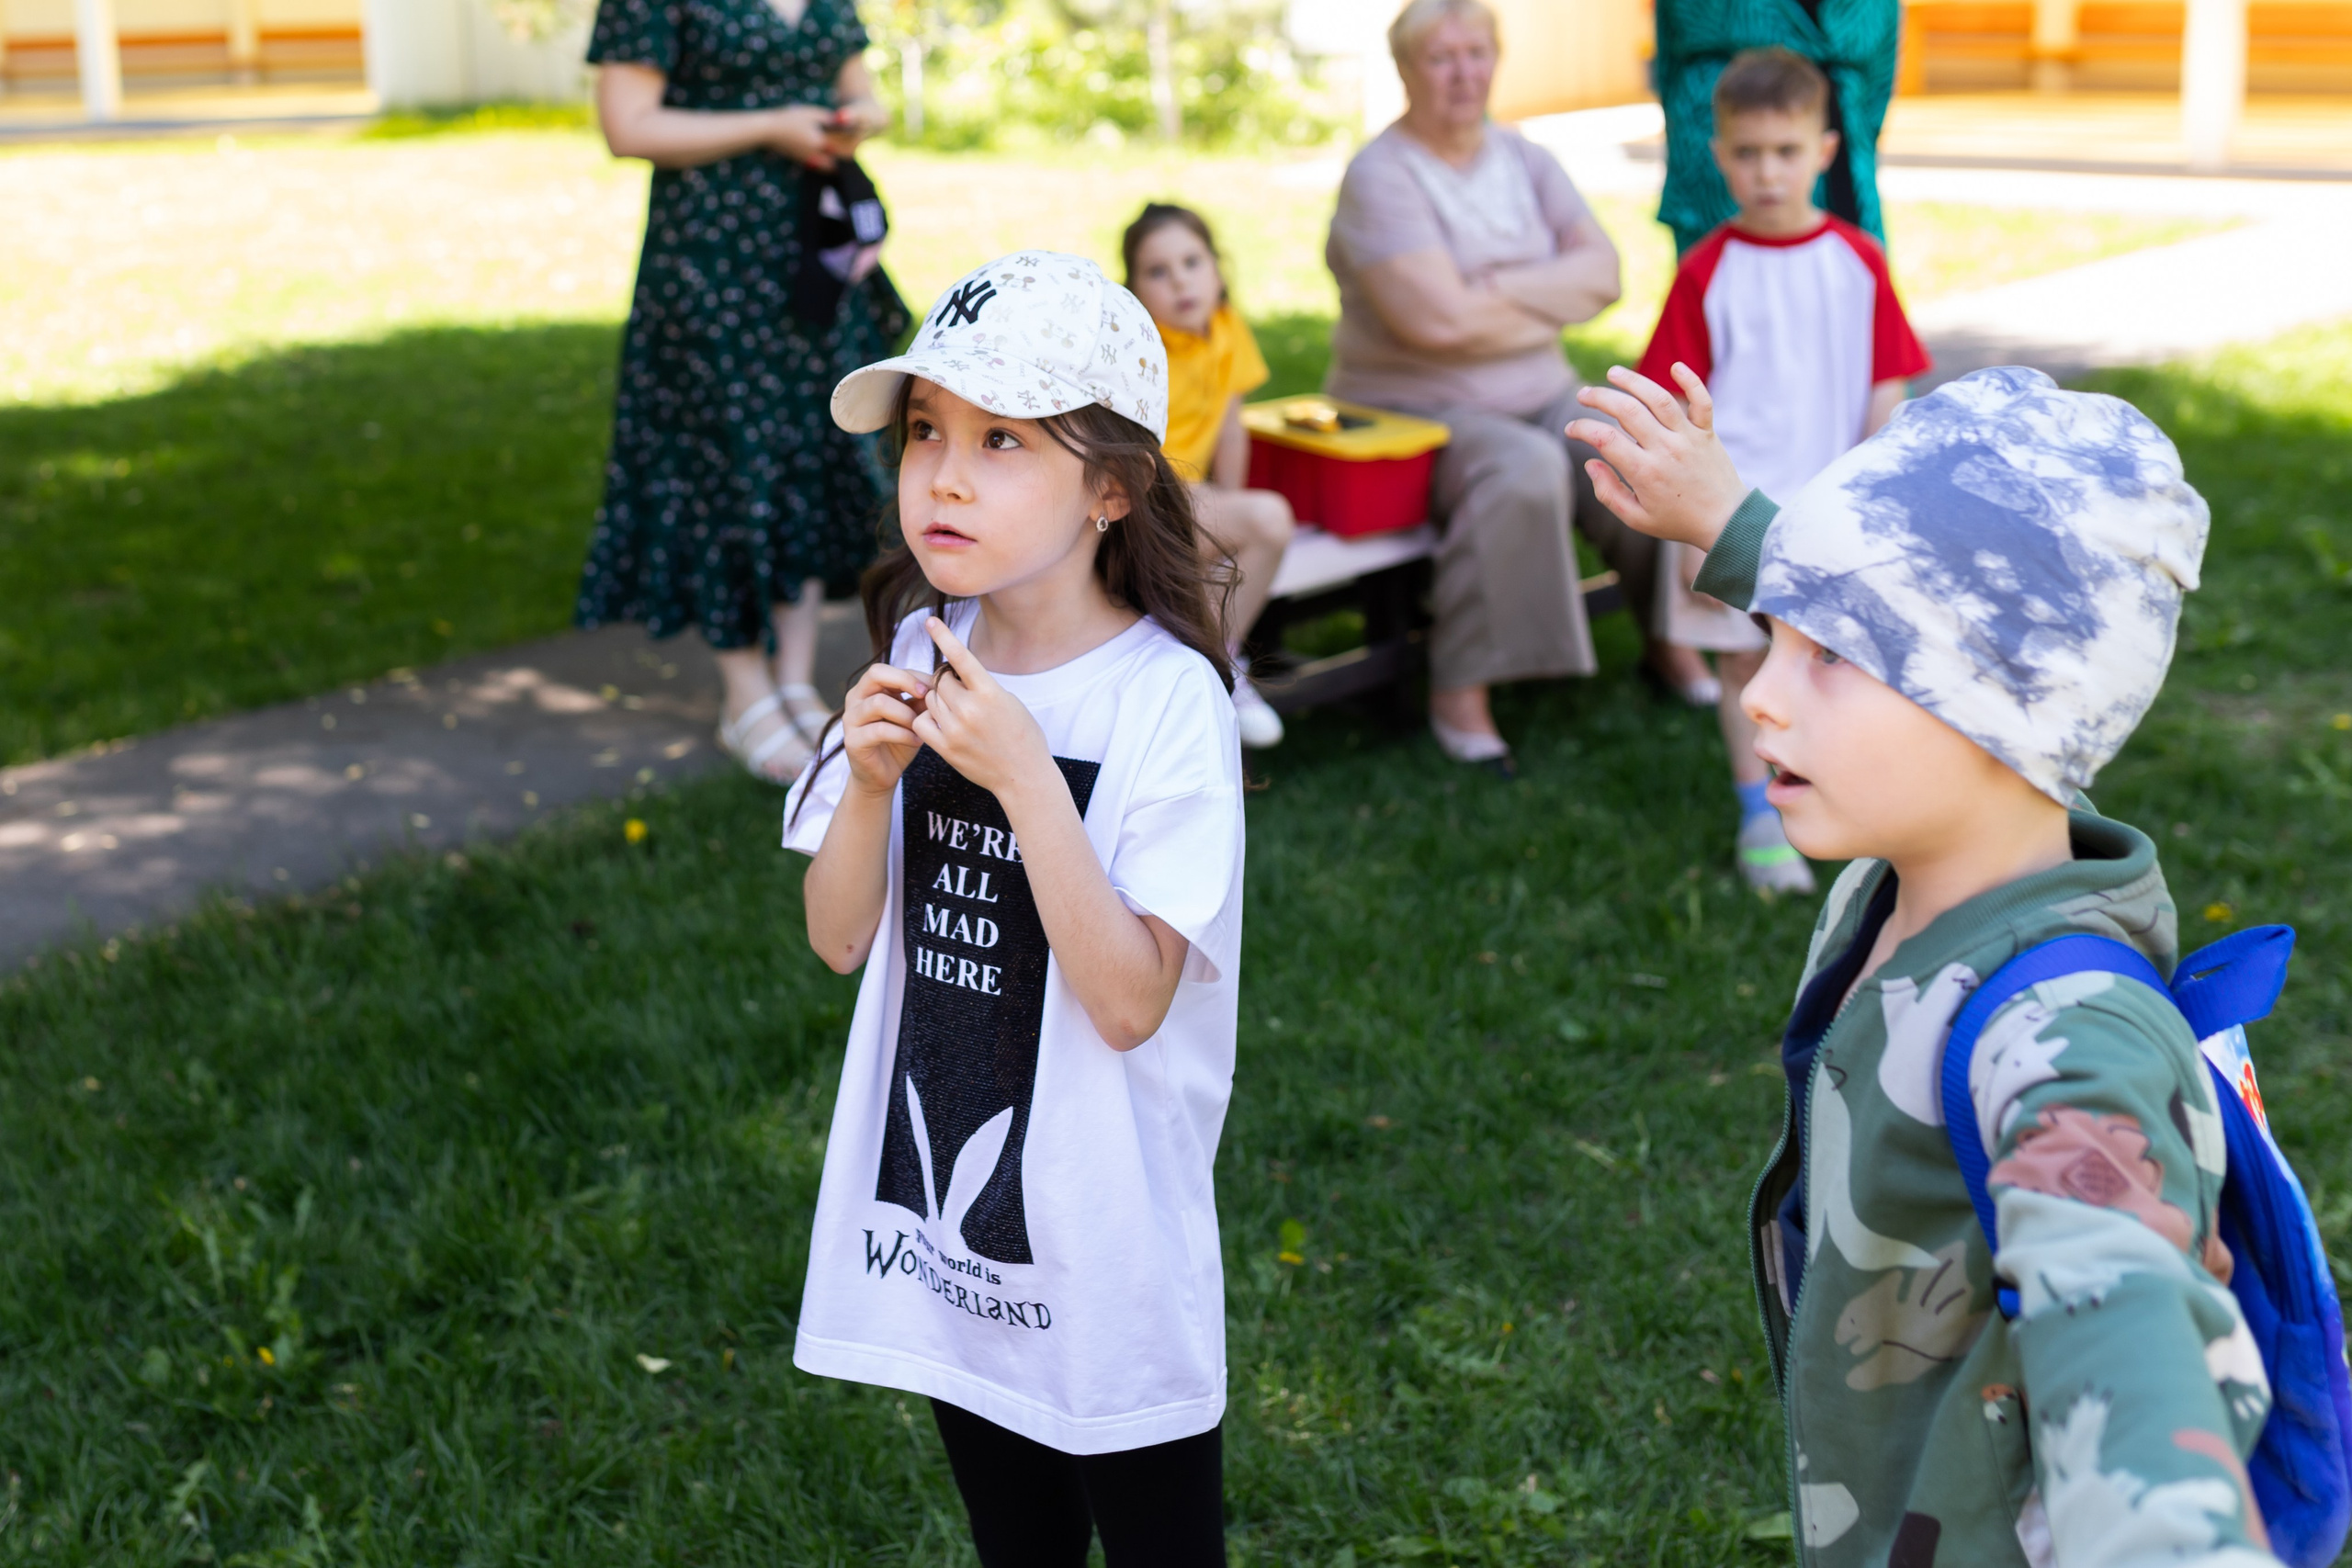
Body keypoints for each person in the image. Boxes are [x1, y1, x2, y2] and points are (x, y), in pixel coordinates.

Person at [1566, 364, 2280, 1562]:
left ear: (2006, 715)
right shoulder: (1916, 861)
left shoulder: (2067, 1032)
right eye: (1776, 635)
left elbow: (2126, 1312)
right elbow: (1929, 629)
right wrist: (1727, 518)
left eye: (1831, 656)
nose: (1762, 695)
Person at [782, 254, 1243, 1568]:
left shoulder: (1166, 701)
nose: (944, 475)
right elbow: (837, 937)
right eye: (926, 431)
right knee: (1015, 1541)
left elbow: (1129, 1000)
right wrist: (873, 785)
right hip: (954, 1231)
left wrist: (1028, 776)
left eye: (1001, 439)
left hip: (1104, 1240)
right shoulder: (923, 645)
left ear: (1111, 487)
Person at [1323, 0, 1673, 777]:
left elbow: (1605, 274)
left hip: (1541, 388)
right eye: (1441, 57)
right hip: (1412, 408)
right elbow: (1435, 322)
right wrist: (1544, 289)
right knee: (1522, 468)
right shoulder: (1381, 175)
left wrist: (1491, 285)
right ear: (1406, 69)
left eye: (1476, 53)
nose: (1463, 73)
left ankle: (1669, 641)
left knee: (1637, 443)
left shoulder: (1524, 157)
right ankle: (1462, 692)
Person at [576, 0, 910, 784]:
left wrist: (859, 118)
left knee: (811, 451)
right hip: (711, 259)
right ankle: (744, 691)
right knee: (722, 467)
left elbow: (860, 88)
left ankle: (792, 679)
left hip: (812, 252)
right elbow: (627, 127)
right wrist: (769, 126)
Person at [1635, 47, 1929, 897]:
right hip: (1728, 511)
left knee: (1843, 668)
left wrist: (1876, 495)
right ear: (1719, 155)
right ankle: (1760, 815)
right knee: (1744, 668)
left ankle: (1851, 802)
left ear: (1825, 151)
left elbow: (1887, 383)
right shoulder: (1706, 270)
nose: (1768, 172)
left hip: (1834, 512)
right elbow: (1676, 405)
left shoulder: (1857, 259)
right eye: (1748, 152)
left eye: (1787, 151)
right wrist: (1690, 529)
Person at [1123, 202, 1294, 750]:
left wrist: (1229, 506)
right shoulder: (1136, 347)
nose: (1180, 281)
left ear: (1218, 268)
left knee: (1259, 522)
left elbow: (1230, 427)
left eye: (1192, 262)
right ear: (1134, 288)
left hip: (1194, 496)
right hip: (1141, 503)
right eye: (1158, 271)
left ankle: (1216, 665)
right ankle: (1218, 670)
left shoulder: (1225, 327)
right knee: (1269, 518)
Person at [1654, 0, 1902, 255]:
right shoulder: (1703, 268)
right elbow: (1669, 61)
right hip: (1716, 151)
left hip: (1840, 146)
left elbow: (1879, 81)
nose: (1768, 174)